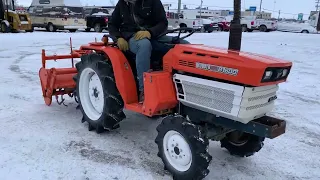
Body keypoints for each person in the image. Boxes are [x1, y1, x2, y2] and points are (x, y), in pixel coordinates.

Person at [108, 0, 189, 103]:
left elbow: (163, 23)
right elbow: (112, 25)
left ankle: (186, 84)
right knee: (144, 45)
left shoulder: (152, 1)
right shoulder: (122, 4)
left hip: (153, 35)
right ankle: (144, 90)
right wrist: (118, 38)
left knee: (184, 45)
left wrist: (150, 32)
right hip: (132, 37)